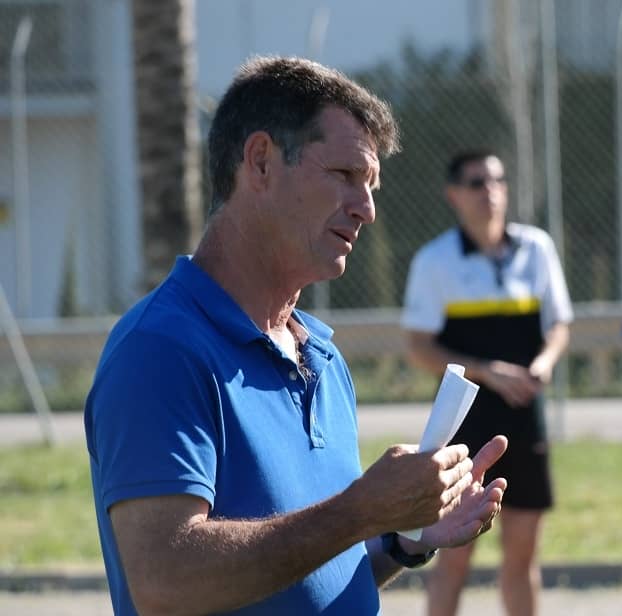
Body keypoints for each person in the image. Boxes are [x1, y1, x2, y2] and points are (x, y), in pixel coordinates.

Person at [84, 56, 508, 616]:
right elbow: (167, 580)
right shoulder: (159, 348)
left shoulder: (322, 356)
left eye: (372, 184)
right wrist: (360, 510)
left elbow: (313, 566)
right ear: (260, 162)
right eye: (345, 175)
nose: (368, 209)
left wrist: (403, 537)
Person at [401, 149, 573, 616]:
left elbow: (559, 326)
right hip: (465, 430)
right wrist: (486, 370)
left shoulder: (535, 247)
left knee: (522, 561)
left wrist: (544, 362)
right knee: (453, 560)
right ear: (453, 195)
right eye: (476, 183)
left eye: (497, 181)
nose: (490, 192)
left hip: (526, 422)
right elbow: (419, 348)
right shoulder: (434, 260)